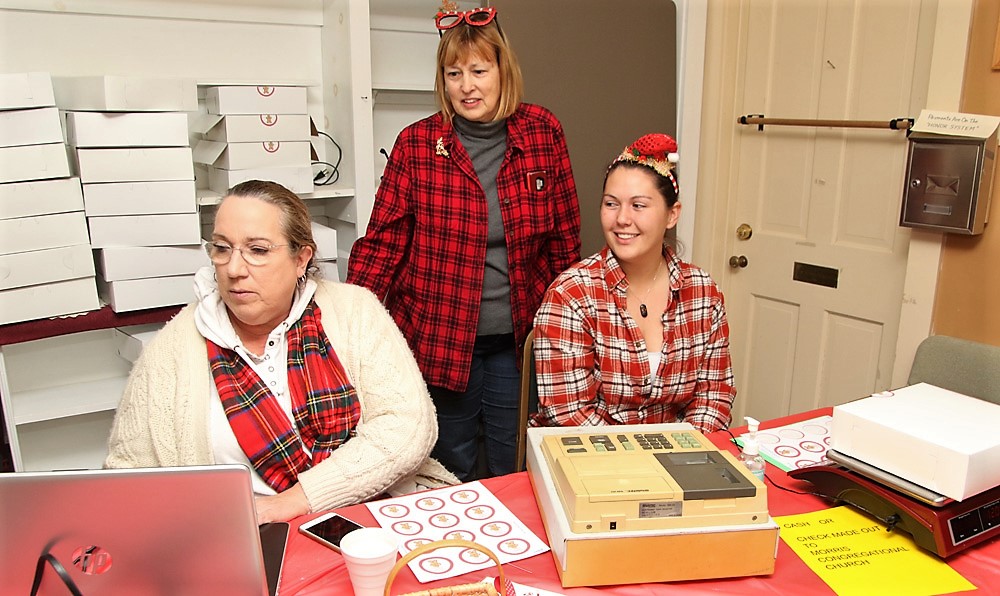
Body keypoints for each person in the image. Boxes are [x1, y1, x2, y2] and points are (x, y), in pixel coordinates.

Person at [105, 180, 457, 524]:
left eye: (257, 250)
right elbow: (127, 477)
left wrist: (295, 501)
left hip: (374, 515)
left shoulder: (355, 312)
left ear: (301, 258)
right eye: (222, 248)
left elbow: (409, 426)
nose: (234, 269)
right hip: (247, 533)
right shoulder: (173, 351)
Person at [346, 4, 580, 481]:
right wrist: (350, 323)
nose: (467, 86)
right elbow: (382, 245)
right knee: (447, 460)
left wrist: (567, 331)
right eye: (454, 73)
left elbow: (564, 241)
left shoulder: (542, 133)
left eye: (478, 70)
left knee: (512, 459)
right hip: (438, 338)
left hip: (515, 341)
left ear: (502, 69)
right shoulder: (417, 144)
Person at [531, 133, 736, 433]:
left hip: (679, 458)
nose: (622, 219)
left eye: (638, 206)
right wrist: (640, 463)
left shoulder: (703, 293)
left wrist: (683, 454)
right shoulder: (571, 295)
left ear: (672, 215)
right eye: (611, 204)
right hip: (594, 458)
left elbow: (714, 396)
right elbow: (568, 413)